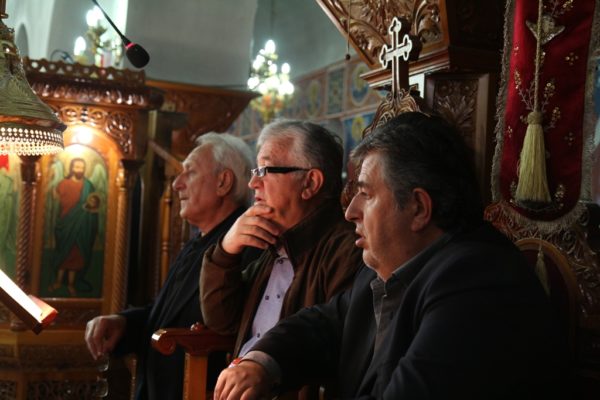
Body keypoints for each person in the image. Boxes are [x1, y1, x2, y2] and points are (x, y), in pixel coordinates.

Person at [213, 112, 567, 400]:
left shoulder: (476, 281)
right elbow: (323, 324)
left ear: (418, 208)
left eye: (366, 194)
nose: (350, 211)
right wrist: (261, 362)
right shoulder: (382, 271)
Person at [85, 133, 260, 400]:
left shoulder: (244, 245)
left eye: (190, 172)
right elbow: (168, 316)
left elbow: (226, 328)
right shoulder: (197, 243)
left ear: (223, 182)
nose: (177, 184)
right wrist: (124, 323)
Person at [200, 119, 363, 398]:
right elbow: (221, 320)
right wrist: (226, 250)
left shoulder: (348, 248)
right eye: (255, 171)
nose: (253, 183)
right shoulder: (274, 245)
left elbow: (336, 342)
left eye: (264, 170)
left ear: (310, 183)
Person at [50, 158, 99, 297]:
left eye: (82, 167)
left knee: (76, 255)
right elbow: (56, 203)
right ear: (71, 168)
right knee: (63, 253)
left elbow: (94, 205)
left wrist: (88, 210)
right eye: (77, 166)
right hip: (65, 224)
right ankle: (58, 282)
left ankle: (71, 284)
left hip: (81, 227)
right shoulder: (63, 184)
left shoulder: (88, 186)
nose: (79, 169)